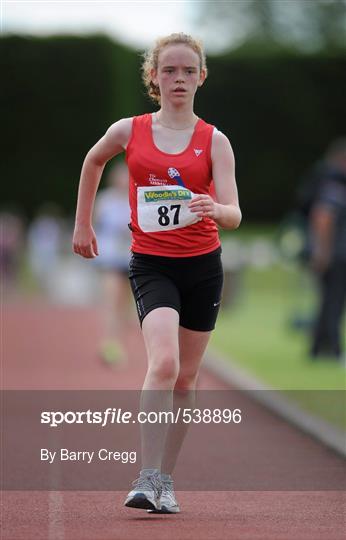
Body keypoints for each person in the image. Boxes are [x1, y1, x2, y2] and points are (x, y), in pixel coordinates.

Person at [73, 33, 241, 514]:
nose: (179, 79)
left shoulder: (215, 141)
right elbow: (92, 160)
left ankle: (166, 478)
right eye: (169, 70)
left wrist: (215, 208)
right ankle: (146, 477)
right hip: (152, 265)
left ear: (202, 77)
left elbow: (234, 213)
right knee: (163, 364)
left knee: (186, 379)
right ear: (153, 77)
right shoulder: (130, 130)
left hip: (203, 268)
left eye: (189, 71)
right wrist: (83, 223)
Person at [307, 139, 346, 360]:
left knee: (328, 301)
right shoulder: (334, 186)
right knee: (333, 301)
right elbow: (323, 218)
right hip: (335, 254)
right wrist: (322, 252)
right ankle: (332, 348)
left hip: (334, 252)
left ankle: (318, 348)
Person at [93, 161, 132, 365]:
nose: (123, 181)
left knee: (124, 305)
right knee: (111, 300)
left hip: (130, 258)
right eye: (120, 176)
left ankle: (118, 344)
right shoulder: (104, 200)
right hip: (109, 259)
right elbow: (95, 225)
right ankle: (108, 342)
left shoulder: (135, 200)